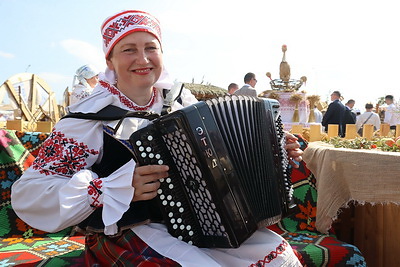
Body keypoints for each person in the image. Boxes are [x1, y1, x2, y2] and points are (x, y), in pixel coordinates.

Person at [11, 10, 302, 266]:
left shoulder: (181, 104)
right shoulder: (87, 121)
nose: (143, 59)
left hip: (203, 227)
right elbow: (32, 194)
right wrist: (109, 188)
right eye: (128, 50)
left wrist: (275, 151)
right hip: (128, 233)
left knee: (279, 255)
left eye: (151, 47)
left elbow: (226, 158)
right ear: (110, 60)